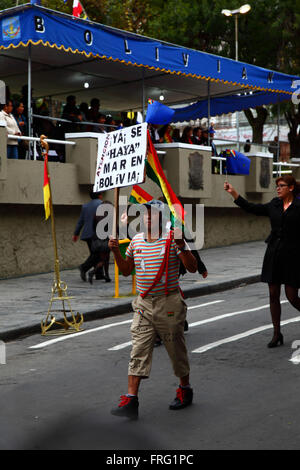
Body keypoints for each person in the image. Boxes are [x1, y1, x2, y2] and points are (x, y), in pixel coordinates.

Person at [109, 200, 197, 419]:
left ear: (163, 218)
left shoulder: (172, 240)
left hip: (169, 303)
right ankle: (131, 399)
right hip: (144, 305)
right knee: (138, 349)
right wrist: (115, 252)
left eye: (154, 213)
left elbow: (192, 267)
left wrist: (182, 245)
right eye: (145, 213)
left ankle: (185, 390)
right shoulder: (136, 241)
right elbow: (127, 271)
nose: (148, 216)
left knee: (176, 350)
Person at [224, 175, 300, 348]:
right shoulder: (274, 204)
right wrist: (234, 193)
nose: (278, 188)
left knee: (292, 296)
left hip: (293, 256)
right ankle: (276, 333)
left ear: (291, 188)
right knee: (273, 294)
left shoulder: (298, 206)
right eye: (277, 186)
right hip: (274, 254)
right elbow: (253, 208)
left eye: (281, 186)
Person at [72, 190, 104, 281]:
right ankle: (84, 267)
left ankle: (99, 274)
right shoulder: (103, 204)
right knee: (98, 254)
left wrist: (76, 233)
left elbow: (80, 221)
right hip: (98, 233)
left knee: (95, 253)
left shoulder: (85, 206)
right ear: (100, 195)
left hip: (87, 234)